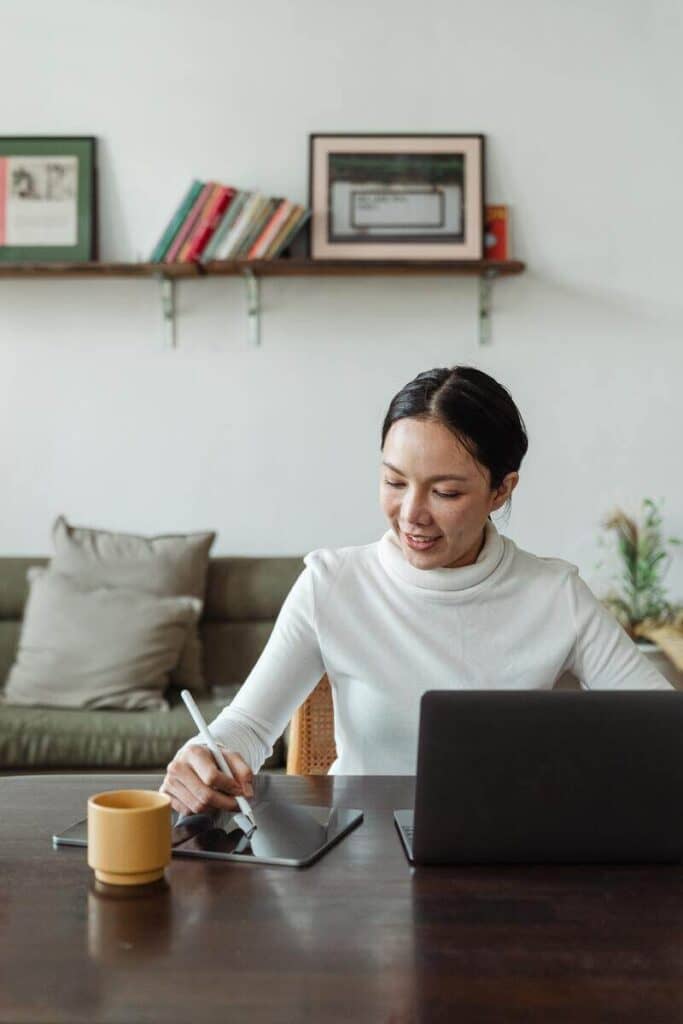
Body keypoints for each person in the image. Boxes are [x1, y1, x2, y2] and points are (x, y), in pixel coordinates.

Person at [160, 365, 672, 817]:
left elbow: (662, 728)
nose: (411, 514)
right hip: (361, 866)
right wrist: (203, 759)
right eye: (394, 481)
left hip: (509, 860)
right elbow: (247, 727)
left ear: (502, 489)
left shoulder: (554, 594)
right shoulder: (331, 584)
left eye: (445, 492)